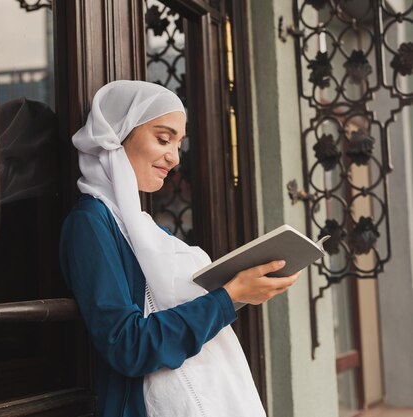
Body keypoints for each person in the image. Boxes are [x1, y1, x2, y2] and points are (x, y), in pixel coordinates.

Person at [59, 80, 300, 417]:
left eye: (178, 143)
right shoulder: (91, 222)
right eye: (163, 138)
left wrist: (243, 290)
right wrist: (227, 298)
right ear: (117, 135)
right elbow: (128, 345)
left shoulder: (142, 228)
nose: (173, 157)